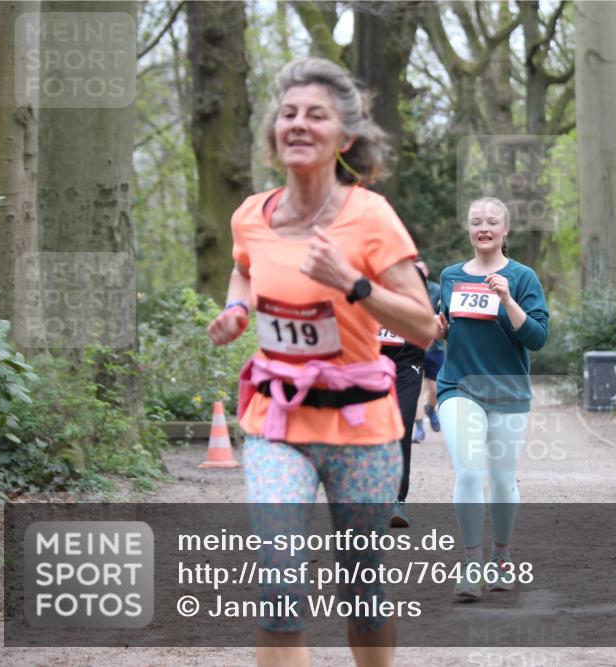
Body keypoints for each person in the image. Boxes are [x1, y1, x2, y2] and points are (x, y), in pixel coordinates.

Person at [206, 57, 435, 667]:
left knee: (363, 591)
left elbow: (423, 324)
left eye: (316, 115)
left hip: (362, 430)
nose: (299, 124)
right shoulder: (252, 215)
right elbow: (243, 267)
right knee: (278, 584)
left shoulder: (371, 217)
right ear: (274, 132)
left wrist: (354, 284)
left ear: (345, 137)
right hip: (277, 424)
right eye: (288, 114)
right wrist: (236, 308)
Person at [435, 197, 549, 602]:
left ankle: (501, 556)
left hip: (508, 390)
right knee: (468, 470)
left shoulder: (522, 277)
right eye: (476, 221)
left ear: (506, 230)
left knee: (501, 481)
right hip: (458, 386)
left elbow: (537, 337)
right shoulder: (449, 276)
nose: (483, 227)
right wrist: (437, 328)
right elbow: (444, 328)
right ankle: (470, 564)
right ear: (468, 229)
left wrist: (507, 300)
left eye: (492, 222)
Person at [377, 257, 431, 528]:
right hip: (365, 361)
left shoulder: (412, 274)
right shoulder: (354, 267)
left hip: (405, 363)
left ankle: (396, 499)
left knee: (400, 425)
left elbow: (424, 315)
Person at [412, 257, 443, 443]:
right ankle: (419, 429)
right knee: (414, 390)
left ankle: (431, 409)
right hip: (412, 346)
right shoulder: (406, 291)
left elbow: (443, 315)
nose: (419, 272)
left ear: (427, 271)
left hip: (435, 348)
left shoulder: (437, 290)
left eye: (422, 269)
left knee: (434, 389)